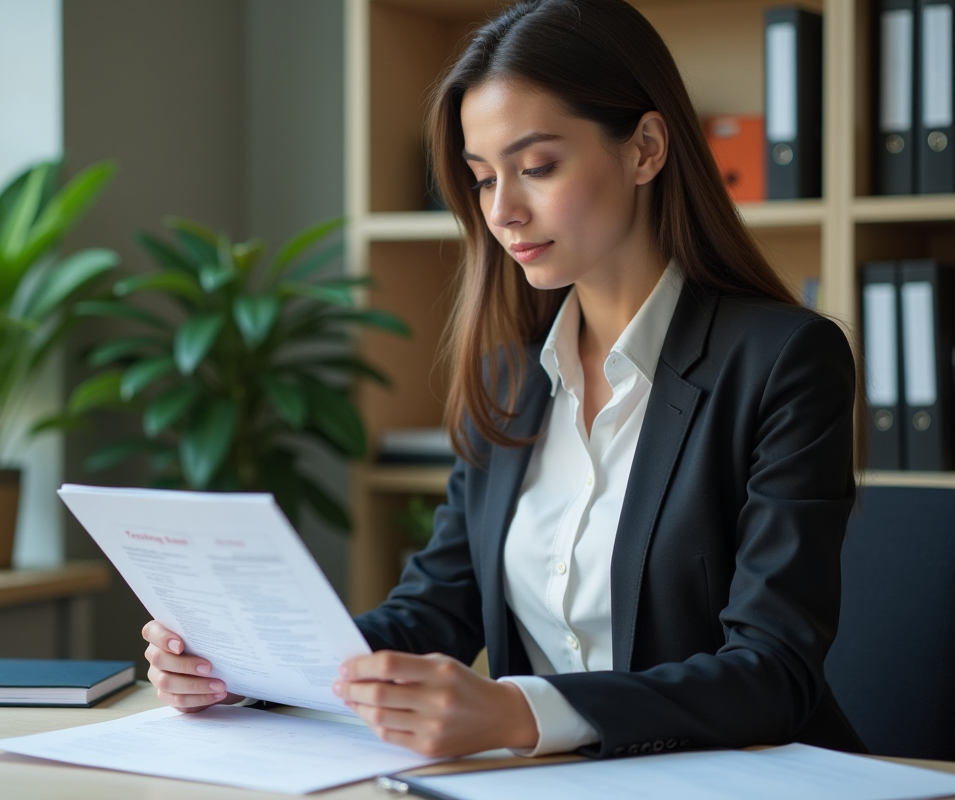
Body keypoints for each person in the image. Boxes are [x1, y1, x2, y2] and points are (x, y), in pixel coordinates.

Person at [142, 0, 865, 760]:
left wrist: (523, 713)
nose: (504, 211)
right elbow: (435, 609)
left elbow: (772, 673)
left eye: (538, 167)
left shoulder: (785, 360)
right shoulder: (513, 376)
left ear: (646, 148)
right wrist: (248, 666)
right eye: (483, 178)